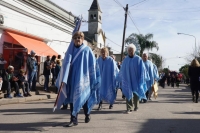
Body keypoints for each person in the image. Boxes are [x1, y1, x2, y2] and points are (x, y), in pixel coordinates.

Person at [56, 31, 100, 127]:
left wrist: (92, 77)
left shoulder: (87, 50)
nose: (77, 40)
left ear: (82, 39)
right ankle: (73, 119)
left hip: (83, 79)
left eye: (79, 38)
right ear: (73, 40)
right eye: (75, 38)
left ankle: (87, 113)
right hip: (72, 78)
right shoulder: (70, 50)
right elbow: (65, 65)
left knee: (83, 99)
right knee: (72, 99)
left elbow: (93, 65)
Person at [118, 44, 148, 113]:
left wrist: (141, 78)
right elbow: (122, 69)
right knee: (128, 92)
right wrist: (121, 78)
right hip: (128, 79)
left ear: (134, 50)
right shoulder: (126, 60)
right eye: (129, 50)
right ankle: (129, 108)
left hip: (136, 79)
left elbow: (142, 69)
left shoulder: (138, 59)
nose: (130, 51)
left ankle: (136, 106)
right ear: (127, 51)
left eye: (131, 50)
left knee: (136, 93)